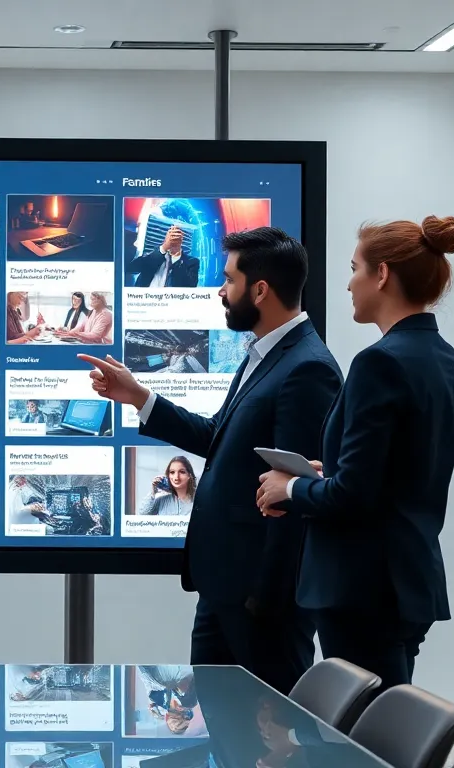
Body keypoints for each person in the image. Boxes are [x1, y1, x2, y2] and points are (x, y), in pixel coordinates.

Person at [80, 227, 342, 695]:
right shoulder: (265, 355)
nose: (220, 291)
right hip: (225, 589)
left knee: (264, 739)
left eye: (229, 280)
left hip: (259, 602)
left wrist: (269, 602)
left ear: (260, 289)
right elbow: (218, 438)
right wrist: (140, 398)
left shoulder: (308, 368)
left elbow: (293, 497)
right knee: (223, 731)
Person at [256, 216, 454, 691]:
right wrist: (322, 474)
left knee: (366, 743)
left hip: (361, 586)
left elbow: (354, 495)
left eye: (355, 268)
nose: (349, 282)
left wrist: (290, 486)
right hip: (405, 578)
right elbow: (394, 473)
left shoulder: (379, 362)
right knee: (389, 723)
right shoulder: (444, 358)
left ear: (383, 274)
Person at [129, 224, 200, 288]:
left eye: (177, 235)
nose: (174, 238)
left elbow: (190, 287)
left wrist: (176, 254)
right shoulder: (150, 254)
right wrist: (164, 247)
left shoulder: (192, 262)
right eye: (171, 234)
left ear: (182, 239)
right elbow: (132, 268)